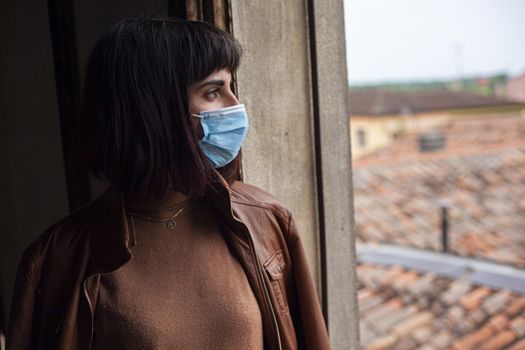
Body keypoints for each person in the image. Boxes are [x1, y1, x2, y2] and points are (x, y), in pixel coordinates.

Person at [7, 16, 330, 350]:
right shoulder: (58, 257)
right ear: (154, 108)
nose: (236, 106)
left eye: (231, 88)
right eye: (213, 91)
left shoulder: (265, 219)